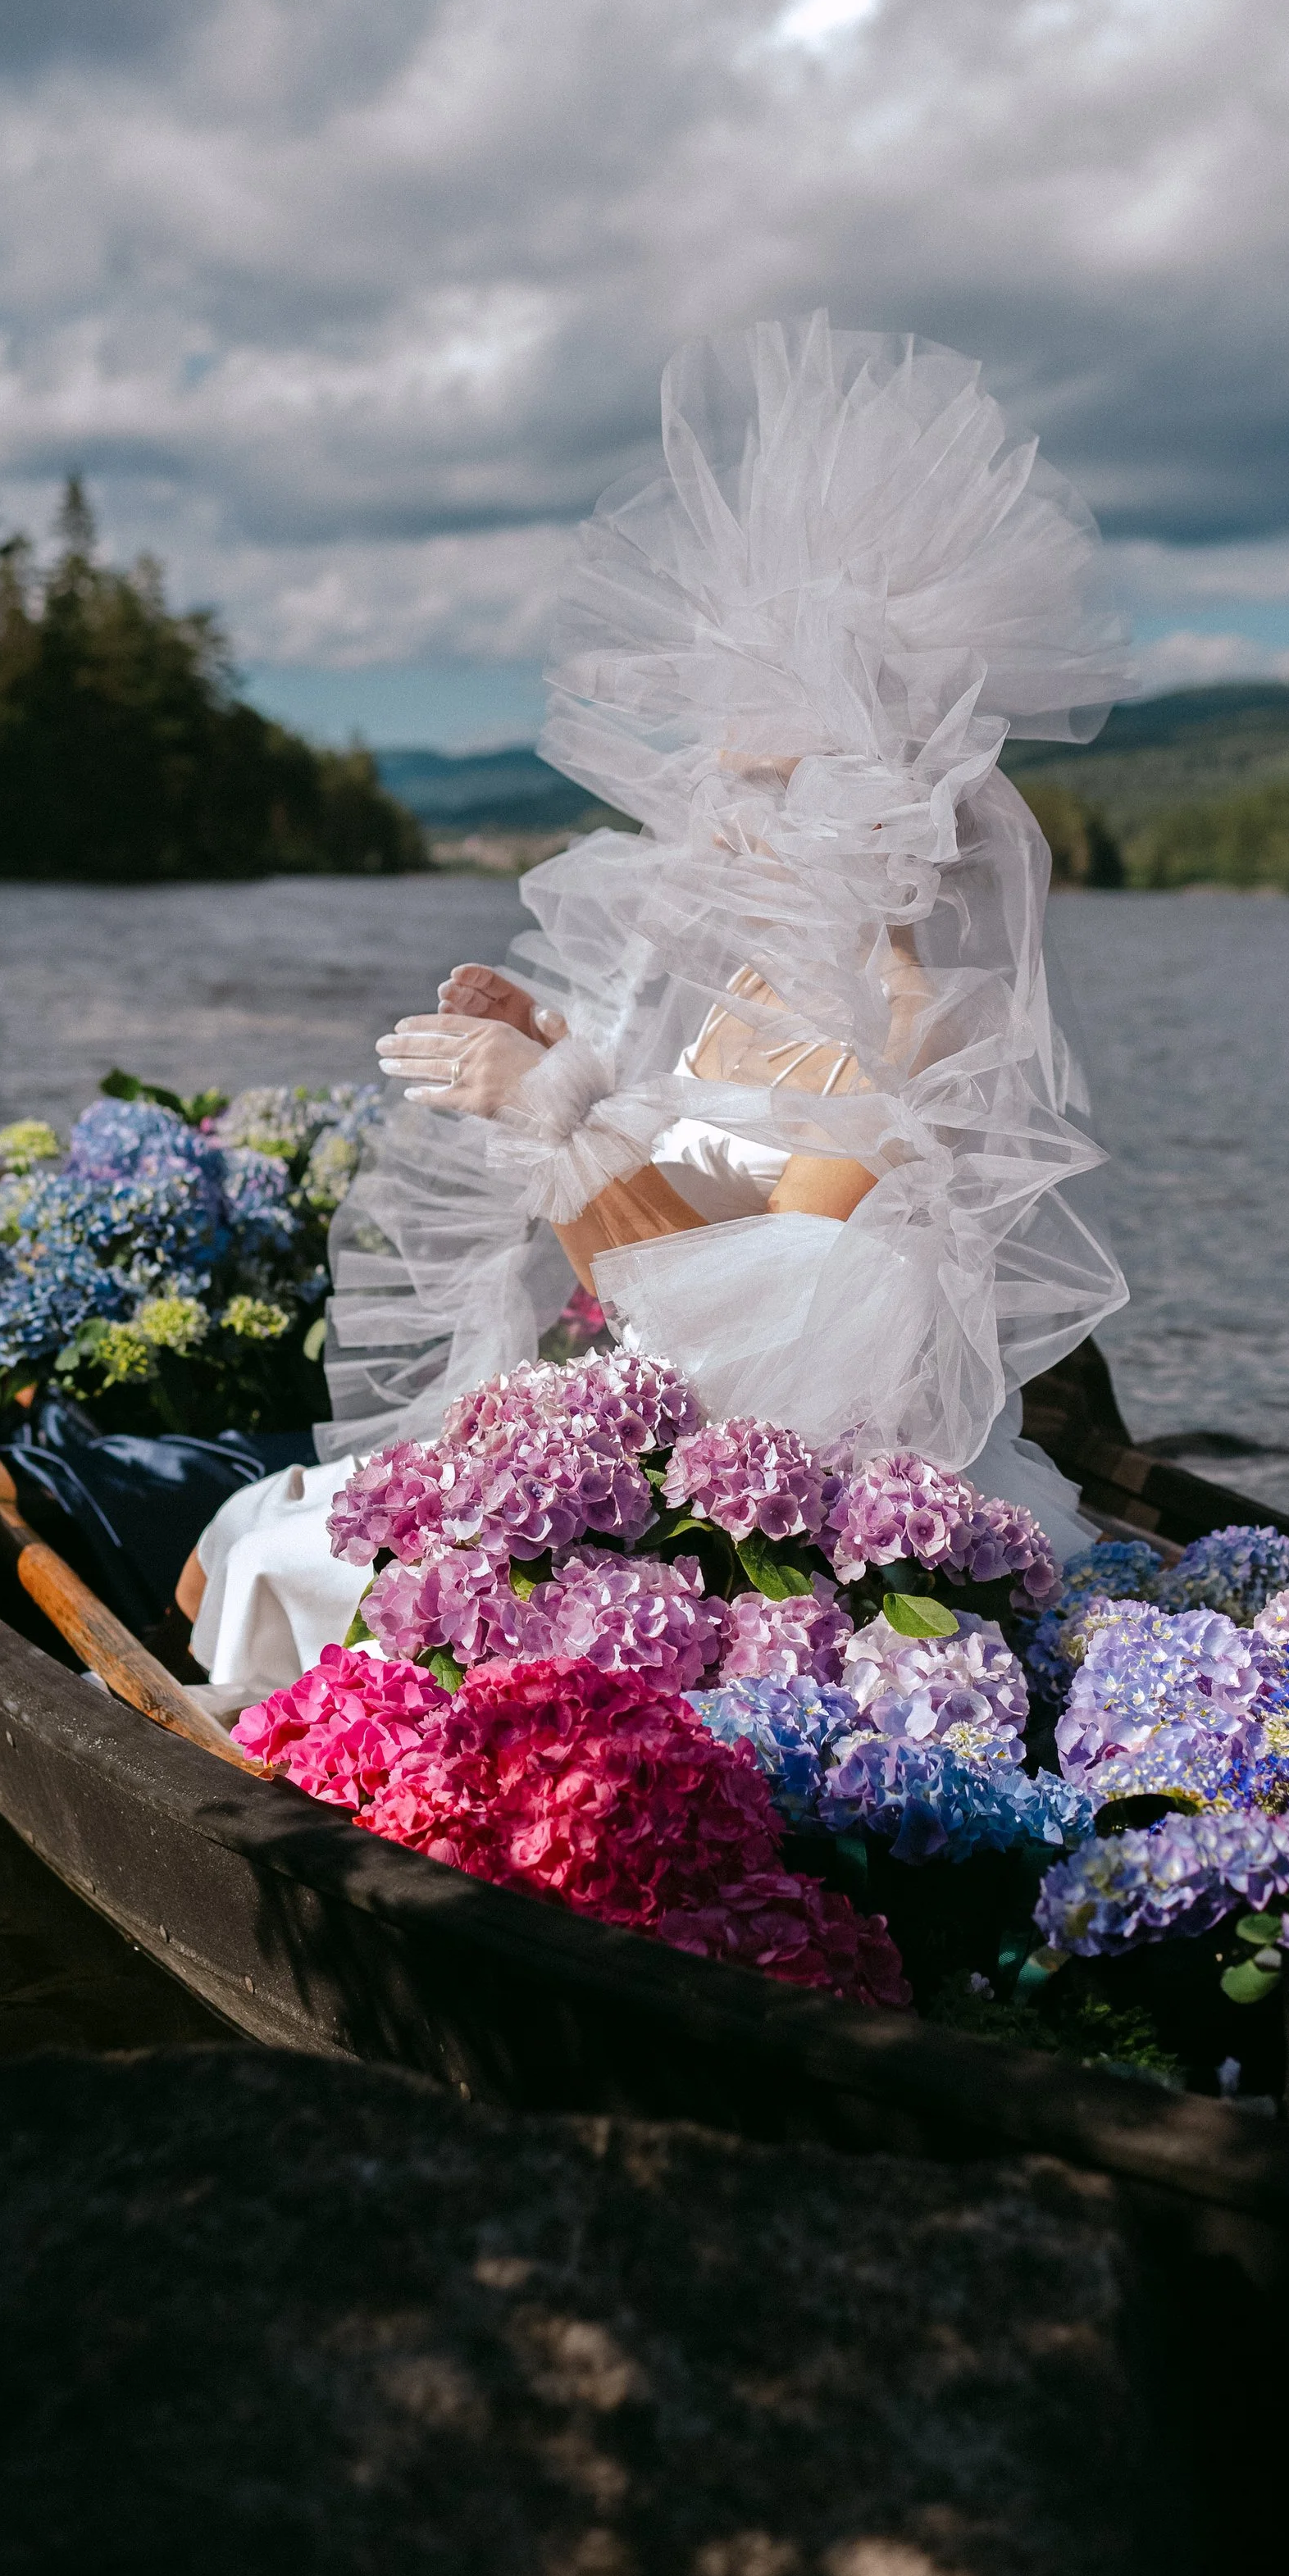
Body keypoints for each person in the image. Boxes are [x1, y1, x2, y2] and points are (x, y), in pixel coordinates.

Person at [186, 313, 1131, 1693]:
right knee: (261, 1522)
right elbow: (722, 1177)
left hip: (774, 1493)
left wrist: (562, 1119)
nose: (713, 821)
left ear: (875, 803)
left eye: (760, 791)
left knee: (287, 1553)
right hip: (667, 1422)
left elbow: (774, 1323)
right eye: (726, 781)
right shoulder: (760, 982)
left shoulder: (923, 1024)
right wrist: (563, 1057)